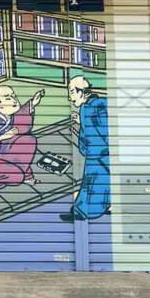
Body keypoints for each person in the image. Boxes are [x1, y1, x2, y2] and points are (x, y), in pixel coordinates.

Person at [61, 75, 110, 221]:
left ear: (81, 92)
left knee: (94, 183)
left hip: (98, 154)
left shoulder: (88, 108)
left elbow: (93, 136)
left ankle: (84, 212)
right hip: (104, 153)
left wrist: (80, 128)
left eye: (71, 92)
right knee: (103, 182)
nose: (70, 98)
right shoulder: (96, 104)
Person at [0, 85, 44, 188]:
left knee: (29, 140)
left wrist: (32, 104)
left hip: (3, 151)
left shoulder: (10, 114)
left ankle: (23, 175)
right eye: (8, 98)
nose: (14, 100)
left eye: (14, 96)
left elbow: (21, 119)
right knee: (17, 177)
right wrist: (0, 138)